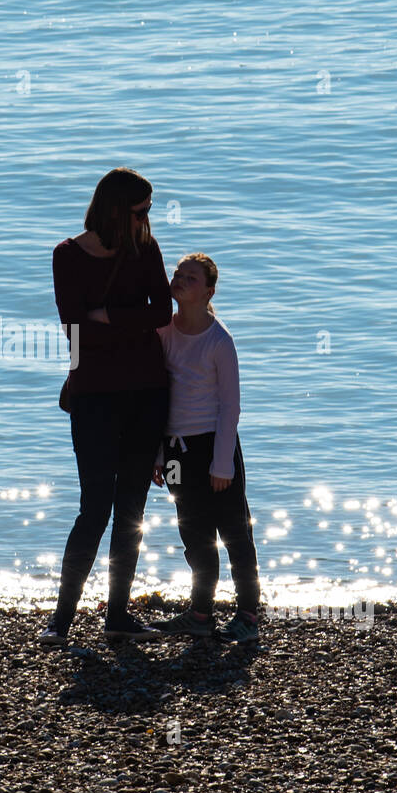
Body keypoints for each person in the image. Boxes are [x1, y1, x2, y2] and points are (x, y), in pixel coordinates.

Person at [39, 167, 171, 646]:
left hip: (148, 392)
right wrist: (121, 325)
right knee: (94, 507)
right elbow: (74, 327)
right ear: (116, 208)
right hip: (93, 395)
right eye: (140, 210)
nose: (148, 218)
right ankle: (62, 619)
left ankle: (118, 615)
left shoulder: (146, 249)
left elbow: (164, 313)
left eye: (149, 209)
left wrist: (108, 316)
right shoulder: (67, 255)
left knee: (131, 506)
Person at [149, 253, 261, 645]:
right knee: (193, 533)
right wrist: (160, 455)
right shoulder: (164, 331)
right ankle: (200, 612)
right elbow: (160, 397)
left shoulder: (219, 340)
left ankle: (248, 613)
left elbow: (231, 407)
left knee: (233, 532)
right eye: (178, 273)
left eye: (191, 277)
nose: (179, 279)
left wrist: (222, 464)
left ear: (208, 291)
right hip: (177, 450)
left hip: (216, 448)